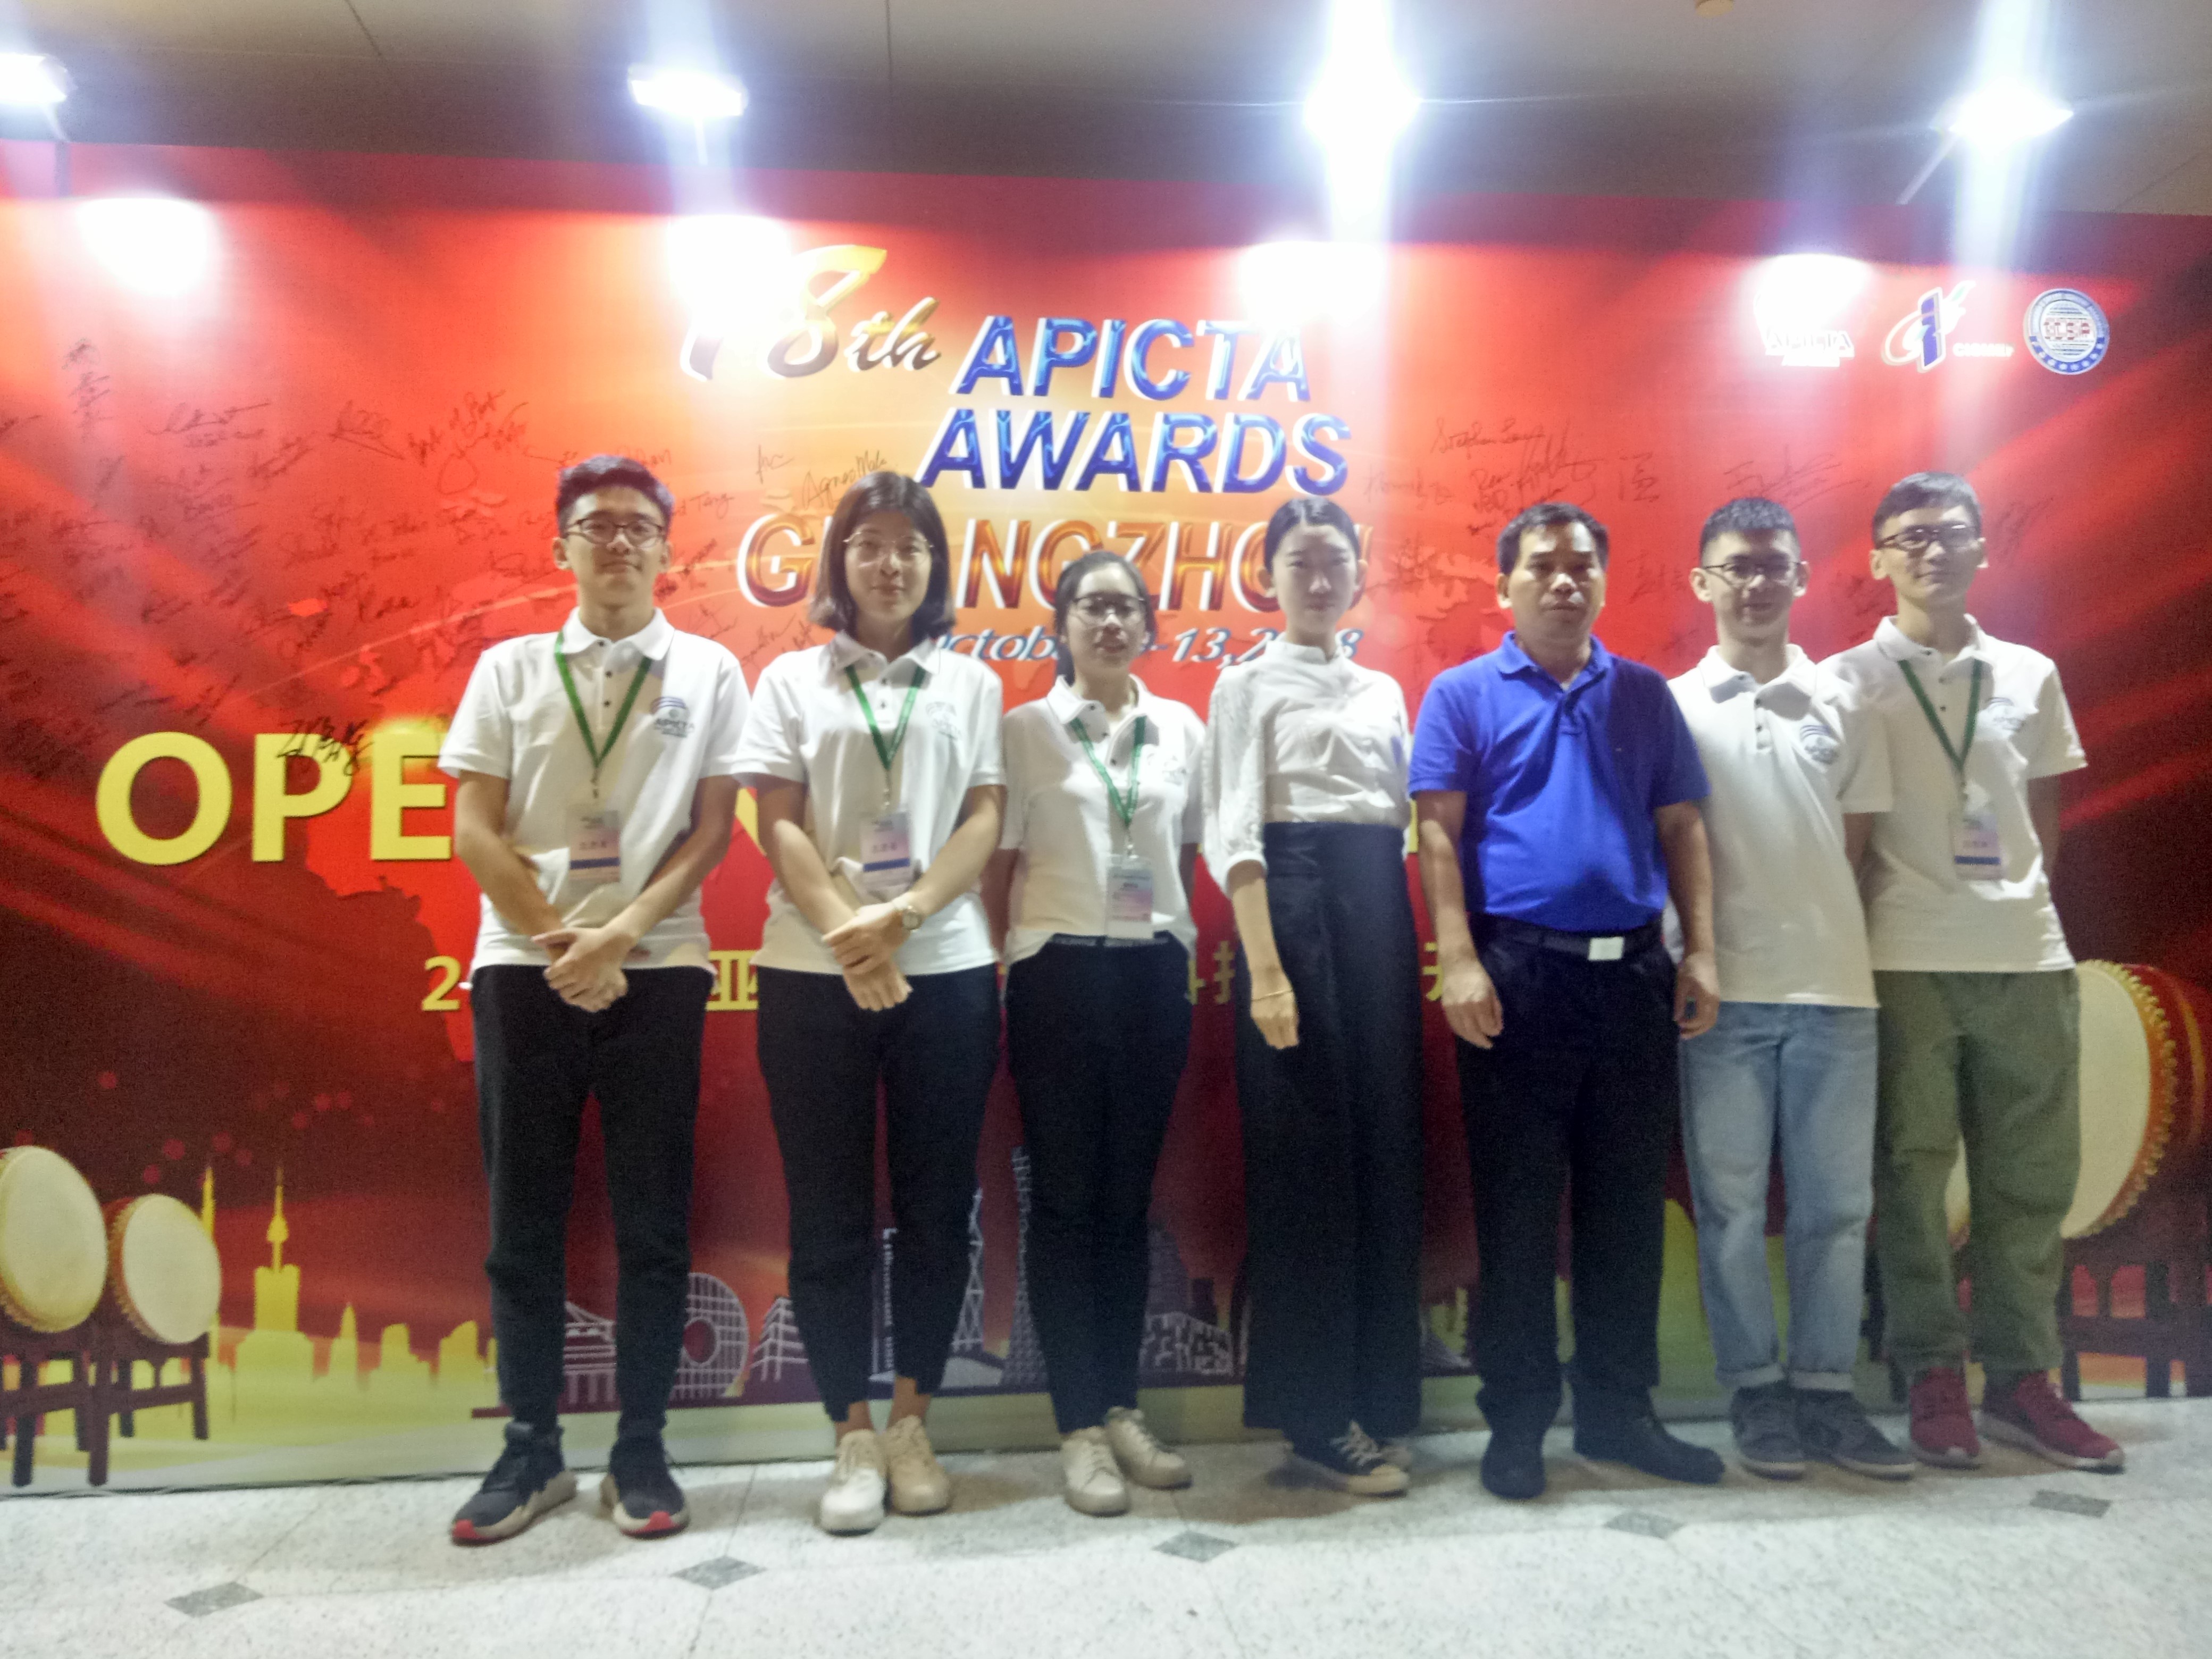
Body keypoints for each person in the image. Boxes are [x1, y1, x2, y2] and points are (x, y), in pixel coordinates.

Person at [439, 455, 748, 1544]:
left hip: (657, 969)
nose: (617, 542)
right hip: (522, 969)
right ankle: (531, 1452)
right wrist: (557, 939)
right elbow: (473, 828)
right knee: (521, 1223)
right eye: (595, 525)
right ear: (561, 547)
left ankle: (640, 1450)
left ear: (667, 549)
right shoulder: (509, 669)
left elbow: (713, 829)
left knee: (653, 1223)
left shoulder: (710, 669)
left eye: (636, 527)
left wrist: (619, 935)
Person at [1411, 500, 1725, 1502]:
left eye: (1581, 565)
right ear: (1505, 584)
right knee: (1514, 1216)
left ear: (1602, 580)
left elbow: (1683, 827)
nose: (1563, 580)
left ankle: (1620, 1412)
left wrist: (1701, 951)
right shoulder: (1462, 694)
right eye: (1542, 565)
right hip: (1517, 978)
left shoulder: (1644, 695)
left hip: (1633, 979)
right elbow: (1437, 832)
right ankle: (1516, 1422)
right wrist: (1459, 960)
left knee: (1625, 1214)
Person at [1823, 471, 2121, 1473]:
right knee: (1909, 1176)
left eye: (1951, 533)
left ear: (1984, 550)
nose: (1932, 551)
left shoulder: (2031, 673)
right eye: (1909, 537)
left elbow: (2043, 817)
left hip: (2025, 957)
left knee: (2029, 1180)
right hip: (1903, 955)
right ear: (1878, 559)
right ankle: (1932, 1374)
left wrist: (2017, 909)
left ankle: (2024, 1379)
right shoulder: (1849, 678)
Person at [735, 471, 1007, 1534]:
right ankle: (849, 1429)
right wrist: (849, 935)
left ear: (935, 566)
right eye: (869, 544)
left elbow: (983, 817)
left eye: (910, 546)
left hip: (945, 970)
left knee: (938, 1208)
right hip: (812, 974)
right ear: (839, 562)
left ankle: (911, 1423)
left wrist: (906, 916)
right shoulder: (790, 680)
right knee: (828, 1211)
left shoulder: (971, 683)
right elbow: (778, 818)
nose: (890, 563)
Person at [1671, 497, 1912, 1481]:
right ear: (1704, 583)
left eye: (1774, 565)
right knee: (1729, 1209)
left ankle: (1825, 1388)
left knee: (1837, 1208)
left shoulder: (1848, 700)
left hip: (1837, 992)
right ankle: (1755, 1389)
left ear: (1802, 577)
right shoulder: (1674, 706)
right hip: (1719, 997)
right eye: (1738, 566)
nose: (1757, 583)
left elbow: (1852, 850)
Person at [1202, 496, 1421, 1498]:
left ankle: (1375, 1398)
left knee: (1382, 1152)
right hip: (1289, 913)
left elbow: (1401, 818)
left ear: (1358, 574)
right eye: (1300, 562)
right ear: (1269, 576)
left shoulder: (1384, 689)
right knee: (1306, 1164)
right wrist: (1267, 972)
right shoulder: (1244, 684)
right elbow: (1233, 833)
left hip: (1379, 913)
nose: (1320, 579)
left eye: (1335, 561)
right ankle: (1316, 1416)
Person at [982, 550, 1206, 1516]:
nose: (1110, 623)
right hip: (1059, 977)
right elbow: (998, 867)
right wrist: (1009, 964)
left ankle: (1121, 1406)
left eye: (1126, 608)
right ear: (1061, 625)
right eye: (1091, 607)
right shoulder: (1025, 730)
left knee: (1126, 1202)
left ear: (1149, 625)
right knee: (1067, 1203)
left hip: (1152, 975)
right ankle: (1076, 1423)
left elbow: (1185, 854)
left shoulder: (1183, 728)